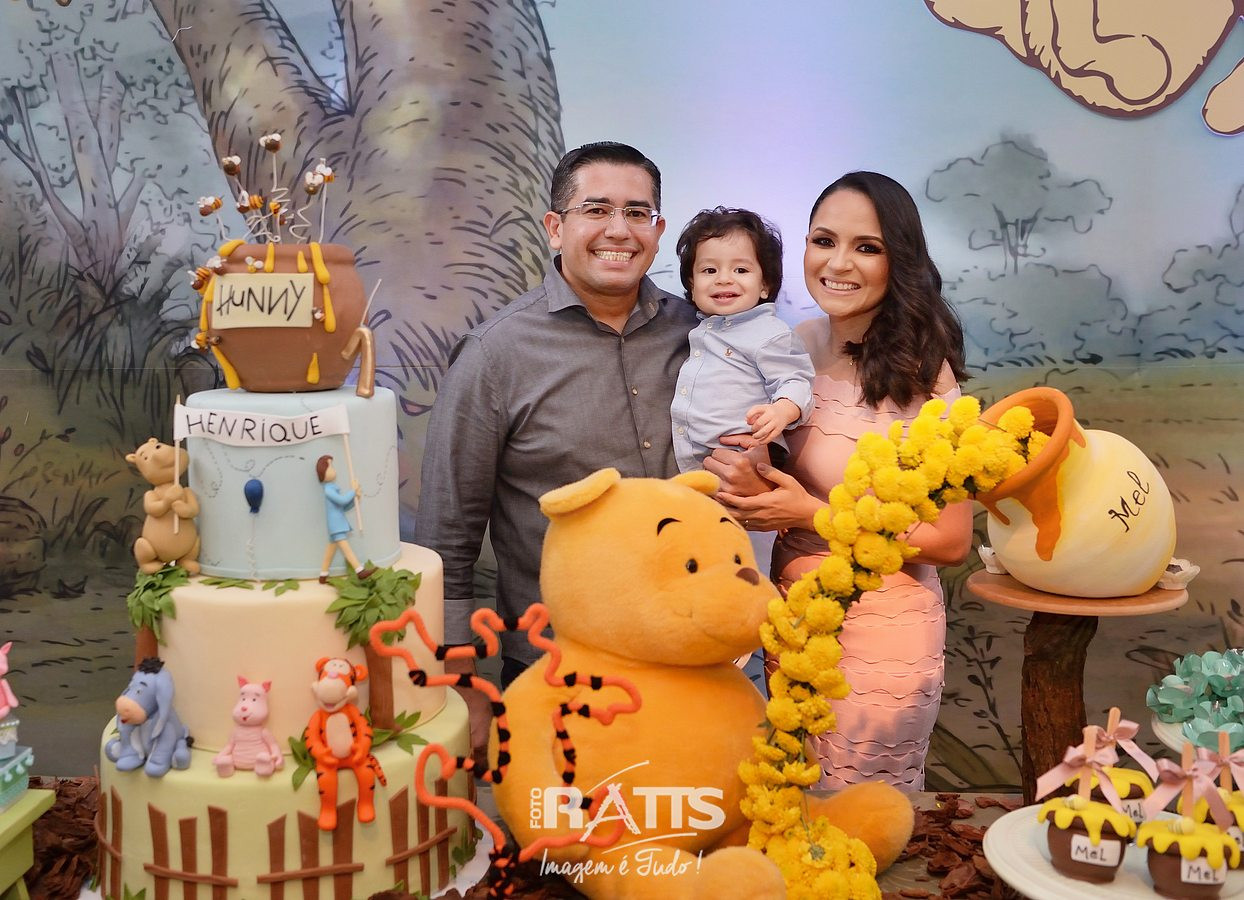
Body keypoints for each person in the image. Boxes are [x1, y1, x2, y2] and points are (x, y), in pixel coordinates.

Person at [414, 142, 697, 760]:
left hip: (694, 659)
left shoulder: (702, 334)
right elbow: (448, 536)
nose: (618, 230)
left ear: (658, 231)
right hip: (555, 670)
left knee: (688, 822)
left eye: (638, 213)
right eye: (596, 210)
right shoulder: (495, 354)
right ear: (554, 227)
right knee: (564, 827)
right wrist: (461, 685)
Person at [709, 172, 973, 790]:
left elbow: (950, 541)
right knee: (791, 805)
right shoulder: (793, 347)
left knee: (858, 816)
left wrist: (806, 515)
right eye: (823, 240)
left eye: (867, 247)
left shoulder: (925, 375)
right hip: (792, 619)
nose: (838, 263)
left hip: (881, 631)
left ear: (898, 261)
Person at [670, 207, 815, 474]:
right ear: (692, 284)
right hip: (699, 465)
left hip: (748, 457)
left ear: (765, 285)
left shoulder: (770, 332)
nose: (724, 279)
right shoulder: (697, 329)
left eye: (740, 269)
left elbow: (796, 380)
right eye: (709, 270)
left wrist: (782, 411)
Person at [316, 454, 374, 583]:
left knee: (330, 550)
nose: (333, 470)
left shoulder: (333, 489)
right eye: (330, 467)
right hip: (336, 524)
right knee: (346, 548)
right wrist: (352, 491)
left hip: (337, 524)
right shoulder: (328, 490)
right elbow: (342, 500)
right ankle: (359, 570)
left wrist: (356, 498)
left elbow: (343, 507)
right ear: (323, 472)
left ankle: (323, 574)